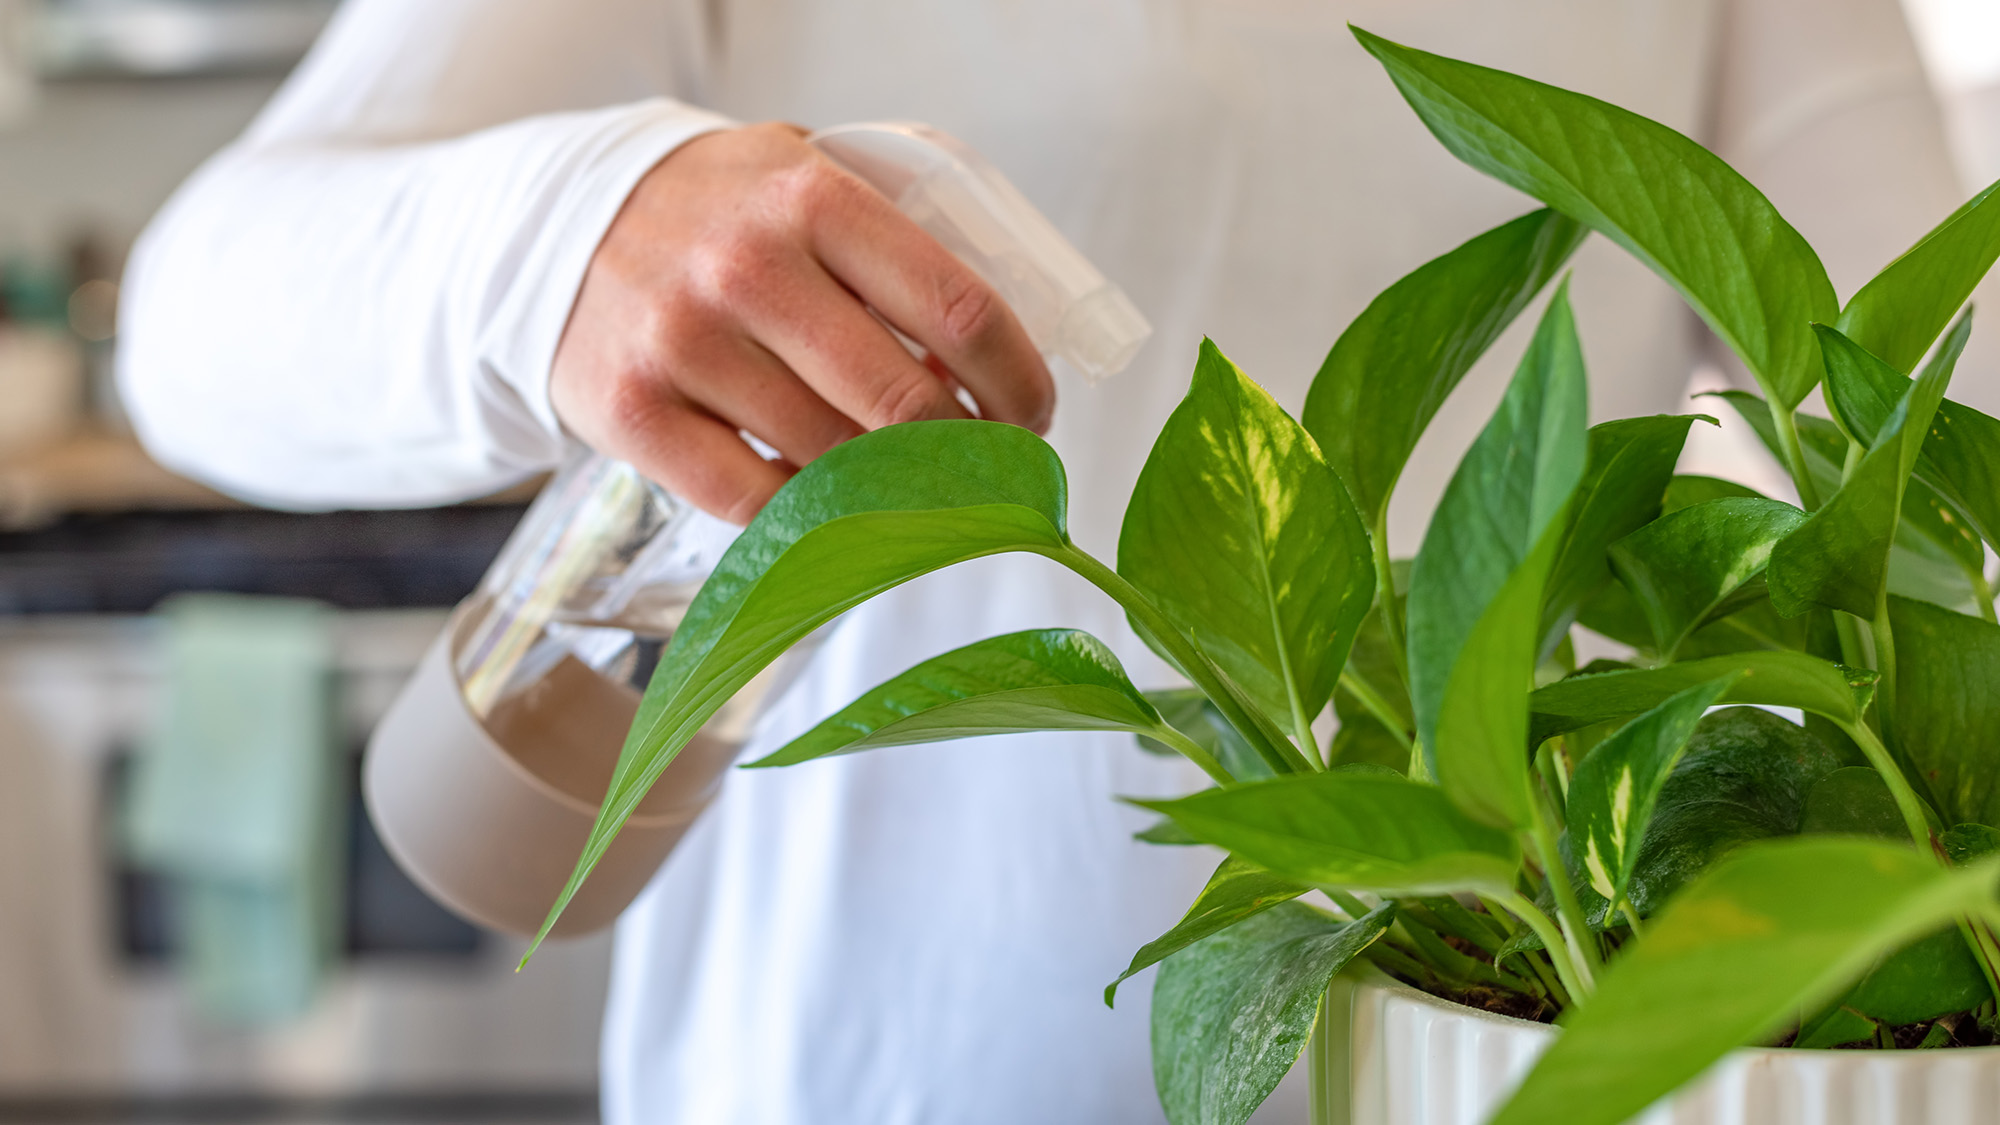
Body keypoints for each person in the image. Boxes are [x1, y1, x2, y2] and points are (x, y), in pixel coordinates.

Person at [118, 1, 1965, 1120]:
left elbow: (1920, 392)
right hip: (860, 1081)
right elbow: (196, 319)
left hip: (1482, 1043)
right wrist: (557, 234)